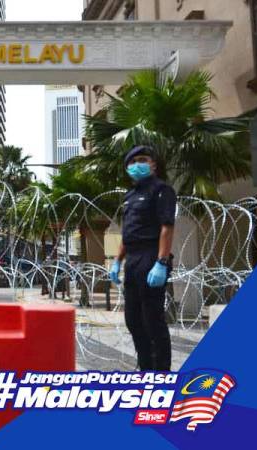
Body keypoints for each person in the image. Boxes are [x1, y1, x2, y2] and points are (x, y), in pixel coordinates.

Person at [109, 145, 176, 371]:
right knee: (133, 319)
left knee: (152, 320)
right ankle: (146, 366)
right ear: (128, 167)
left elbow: (167, 227)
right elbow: (128, 233)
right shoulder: (129, 196)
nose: (138, 164)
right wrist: (117, 261)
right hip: (133, 259)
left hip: (151, 255)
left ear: (153, 164)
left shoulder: (161, 190)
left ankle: (161, 373)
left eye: (143, 159)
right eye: (133, 161)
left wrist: (161, 262)